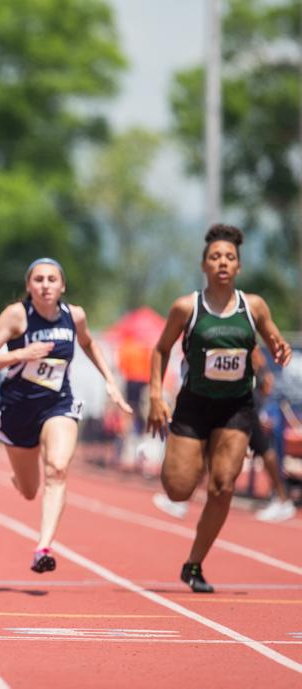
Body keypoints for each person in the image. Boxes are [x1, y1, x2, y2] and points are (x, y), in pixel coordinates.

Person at [147, 224, 291, 593]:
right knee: (179, 489)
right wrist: (155, 396)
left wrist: (279, 347)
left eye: (229, 257)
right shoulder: (186, 307)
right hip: (194, 405)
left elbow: (273, 337)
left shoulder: (253, 305)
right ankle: (190, 459)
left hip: (236, 407)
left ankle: (194, 564)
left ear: (238, 266)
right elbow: (161, 349)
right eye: (215, 257)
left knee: (224, 484)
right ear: (204, 265)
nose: (222, 263)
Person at [0, 258, 132, 574]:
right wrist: (21, 353)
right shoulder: (17, 316)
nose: (45, 285)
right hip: (18, 409)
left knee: (58, 469)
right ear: (29, 286)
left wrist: (111, 381)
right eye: (39, 280)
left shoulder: (74, 316)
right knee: (30, 490)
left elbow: (89, 344)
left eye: (52, 279)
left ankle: (43, 547)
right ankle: (20, 477)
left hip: (58, 403)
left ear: (62, 286)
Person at [251, 349, 296, 522]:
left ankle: (282, 499)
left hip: (250, 409)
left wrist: (262, 409)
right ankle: (280, 498)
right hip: (245, 407)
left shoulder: (255, 359)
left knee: (265, 450)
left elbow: (268, 383)